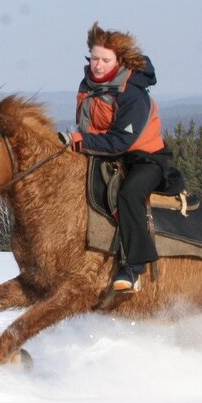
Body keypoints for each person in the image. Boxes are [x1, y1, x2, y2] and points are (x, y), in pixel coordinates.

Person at [60, 22, 182, 292]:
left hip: (144, 159)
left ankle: (133, 268)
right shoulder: (89, 84)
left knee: (128, 194)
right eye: (94, 59)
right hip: (103, 153)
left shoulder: (132, 91)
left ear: (119, 61)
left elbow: (121, 140)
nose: (98, 65)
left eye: (105, 60)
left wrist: (79, 141)